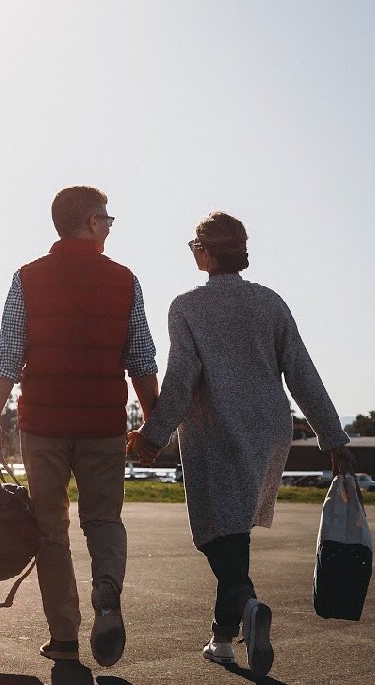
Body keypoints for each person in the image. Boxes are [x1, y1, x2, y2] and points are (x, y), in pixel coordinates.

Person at [129, 211, 355, 678]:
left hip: (216, 431)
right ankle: (222, 640)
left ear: (207, 253)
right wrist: (333, 438)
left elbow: (181, 380)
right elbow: (303, 374)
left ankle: (246, 602)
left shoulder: (187, 305)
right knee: (235, 532)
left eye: (195, 246)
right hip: (270, 431)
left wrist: (153, 437)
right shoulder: (270, 303)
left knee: (214, 532)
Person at [0, 185, 160, 668]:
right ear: (89, 222)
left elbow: (7, 356)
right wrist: (156, 424)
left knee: (51, 530)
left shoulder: (27, 278)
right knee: (103, 519)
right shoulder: (125, 280)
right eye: (107, 218)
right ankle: (107, 593)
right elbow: (140, 358)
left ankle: (63, 637)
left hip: (44, 424)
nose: (109, 225)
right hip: (103, 424)